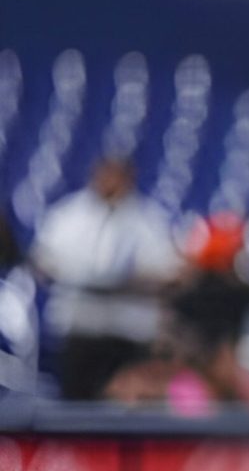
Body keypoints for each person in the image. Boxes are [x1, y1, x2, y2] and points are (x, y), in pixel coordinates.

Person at [29, 156, 183, 400]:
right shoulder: (69, 215)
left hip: (129, 330)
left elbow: (171, 273)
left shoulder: (150, 219)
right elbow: (43, 262)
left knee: (127, 404)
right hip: (81, 326)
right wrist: (81, 275)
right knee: (76, 402)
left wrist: (129, 280)